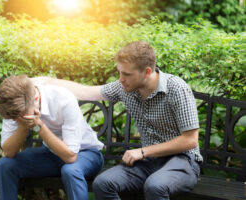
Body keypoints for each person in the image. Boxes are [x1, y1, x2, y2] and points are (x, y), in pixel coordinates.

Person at [33, 41, 203, 200]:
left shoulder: (176, 89)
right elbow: (85, 91)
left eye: (126, 74)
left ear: (147, 72)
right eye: (120, 72)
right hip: (149, 162)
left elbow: (190, 140)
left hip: (183, 161)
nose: (121, 79)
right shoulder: (125, 88)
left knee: (155, 186)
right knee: (103, 184)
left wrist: (143, 152)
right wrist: (46, 81)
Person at [0, 74, 104, 200]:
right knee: (5, 165)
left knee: (70, 171)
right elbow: (9, 152)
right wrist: (23, 126)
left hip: (86, 154)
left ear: (35, 99)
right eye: (13, 118)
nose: (15, 119)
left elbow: (70, 156)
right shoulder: (14, 106)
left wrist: (39, 126)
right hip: (51, 155)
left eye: (19, 115)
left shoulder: (63, 99)